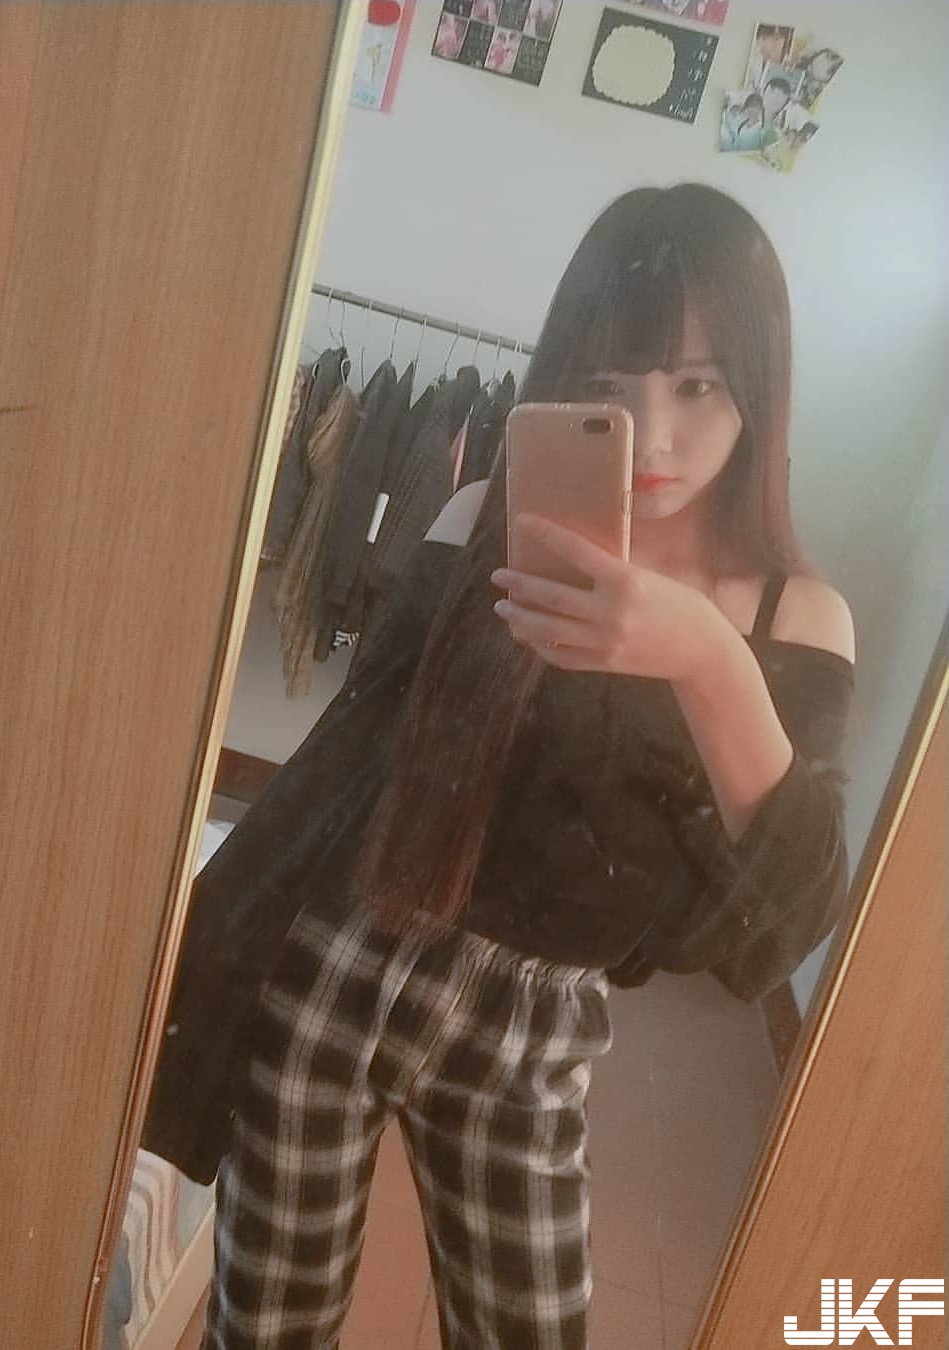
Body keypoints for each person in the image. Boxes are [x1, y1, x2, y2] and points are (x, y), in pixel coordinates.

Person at [143, 183, 856, 1350]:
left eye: (697, 385)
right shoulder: (482, 514)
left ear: (759, 390)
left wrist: (705, 658)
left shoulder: (792, 617)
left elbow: (786, 921)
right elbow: (355, 761)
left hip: (535, 1022)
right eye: (612, 384)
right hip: (349, 954)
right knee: (268, 1323)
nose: (653, 435)